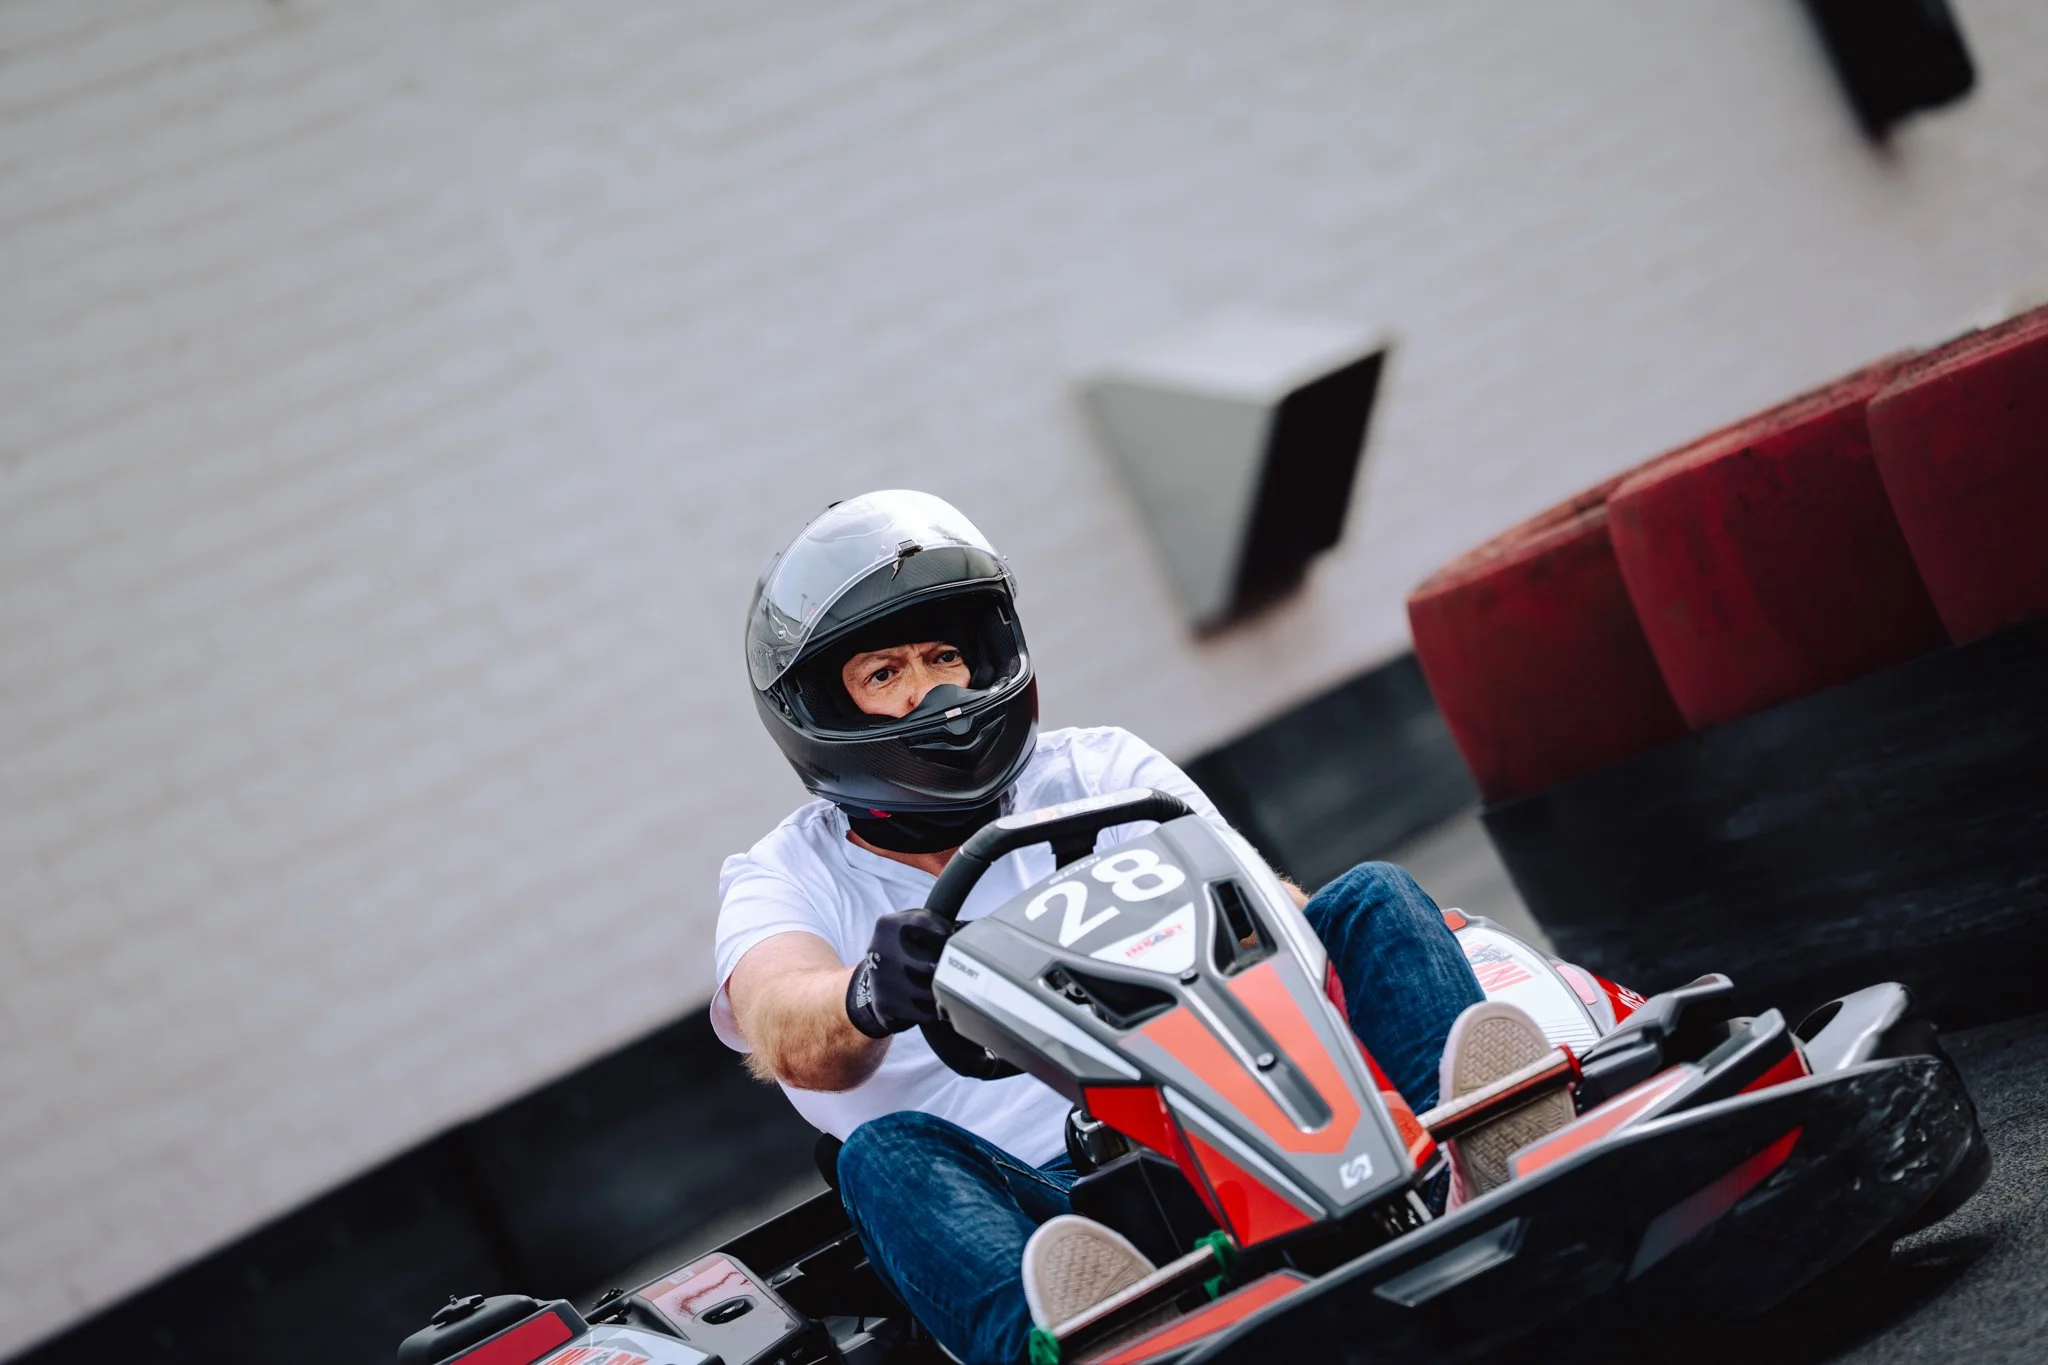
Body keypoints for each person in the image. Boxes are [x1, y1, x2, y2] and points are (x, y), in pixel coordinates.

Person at [713, 491, 1566, 1365]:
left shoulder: (1099, 769)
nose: (935, 691)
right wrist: (866, 992)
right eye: (884, 673)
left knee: (1369, 897)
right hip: (1038, 1207)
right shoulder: (785, 874)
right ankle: (1097, 1338)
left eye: (944, 656)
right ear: (825, 710)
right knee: (881, 1157)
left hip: (1233, 1110)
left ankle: (1477, 1167)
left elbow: (1272, 908)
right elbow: (780, 1017)